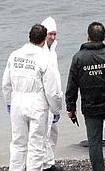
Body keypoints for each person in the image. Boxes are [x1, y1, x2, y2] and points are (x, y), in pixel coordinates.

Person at [66, 22, 105, 171]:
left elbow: (72, 85)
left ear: (88, 37)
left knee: (94, 142)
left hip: (90, 107)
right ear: (104, 37)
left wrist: (70, 107)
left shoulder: (78, 58)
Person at [2, 24, 63, 171]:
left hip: (17, 101)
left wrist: (9, 102)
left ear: (29, 37)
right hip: (37, 104)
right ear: (43, 40)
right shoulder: (44, 58)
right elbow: (52, 90)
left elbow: (6, 83)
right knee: (36, 146)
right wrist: (56, 109)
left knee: (18, 143)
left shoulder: (15, 55)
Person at [41, 17, 62, 171]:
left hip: (53, 99)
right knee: (45, 134)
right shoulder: (40, 52)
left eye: (55, 34)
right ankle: (47, 165)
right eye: (50, 34)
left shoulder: (52, 50)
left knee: (53, 132)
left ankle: (50, 160)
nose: (53, 37)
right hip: (44, 100)